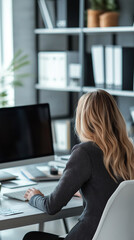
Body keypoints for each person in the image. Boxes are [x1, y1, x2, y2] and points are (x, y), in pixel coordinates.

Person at [22, 89, 134, 240]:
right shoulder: (128, 149)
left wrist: (34, 196)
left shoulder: (84, 152)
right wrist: (84, 191)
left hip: (89, 236)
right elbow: (110, 188)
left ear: (84, 119)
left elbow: (51, 206)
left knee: (31, 237)